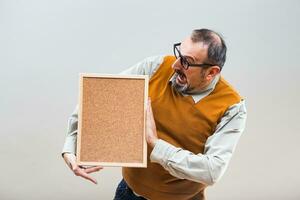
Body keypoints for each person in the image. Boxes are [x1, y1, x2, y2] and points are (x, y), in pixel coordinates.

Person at [62, 28, 247, 200]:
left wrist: (155, 143)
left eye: (186, 62)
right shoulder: (155, 67)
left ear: (211, 72)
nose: (175, 65)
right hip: (128, 193)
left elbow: (212, 171)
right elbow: (101, 98)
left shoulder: (232, 107)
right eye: (178, 53)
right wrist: (71, 148)